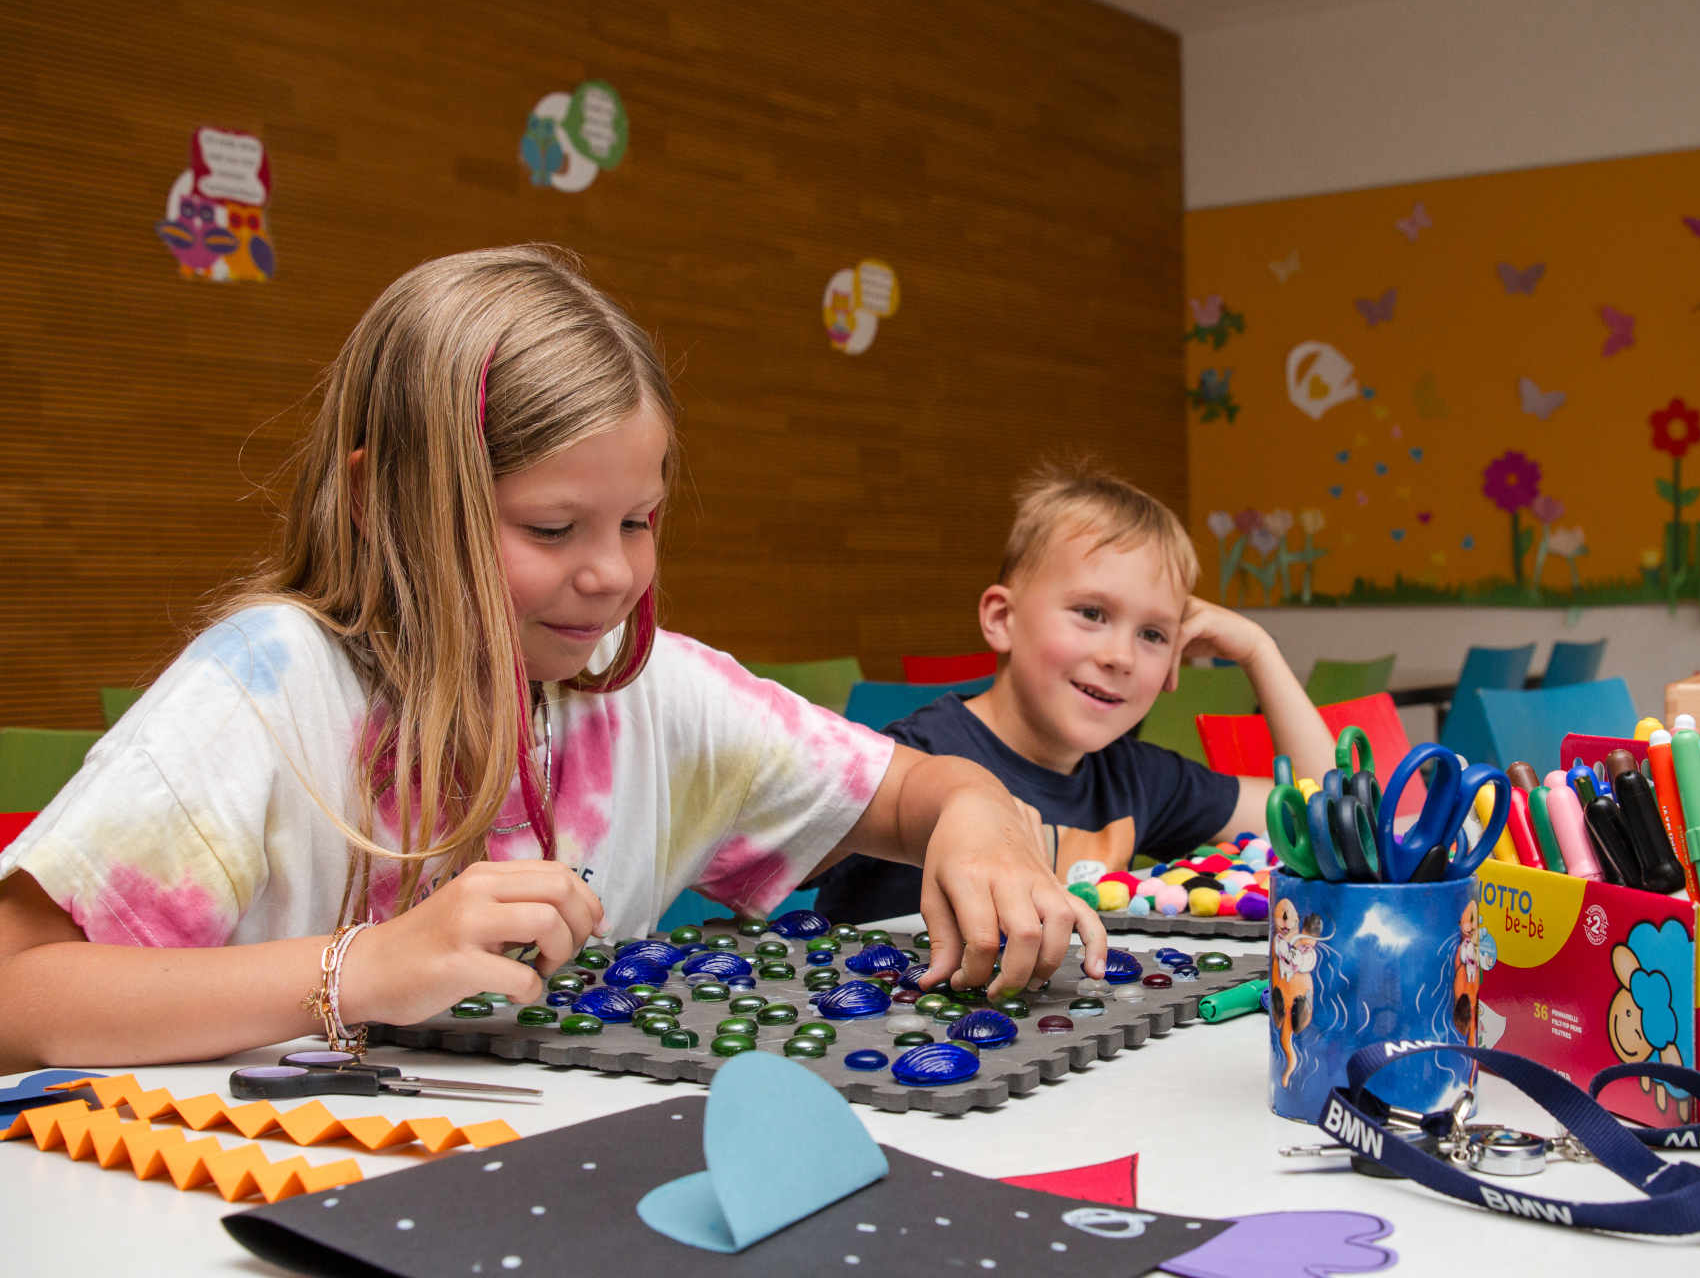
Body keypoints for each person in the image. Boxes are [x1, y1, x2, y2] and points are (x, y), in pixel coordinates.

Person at [0, 245, 1101, 1073]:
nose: (613, 575)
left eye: (640, 521)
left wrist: (979, 817)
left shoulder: (650, 687)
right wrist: (361, 968)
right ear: (392, 498)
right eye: (552, 527)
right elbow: (16, 991)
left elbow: (918, 784)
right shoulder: (268, 685)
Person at [814, 461, 1335, 923]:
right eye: (1092, 613)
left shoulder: (1136, 778)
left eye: (1153, 635)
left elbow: (1325, 820)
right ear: (1002, 620)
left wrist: (1258, 651)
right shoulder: (911, 764)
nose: (1121, 656)